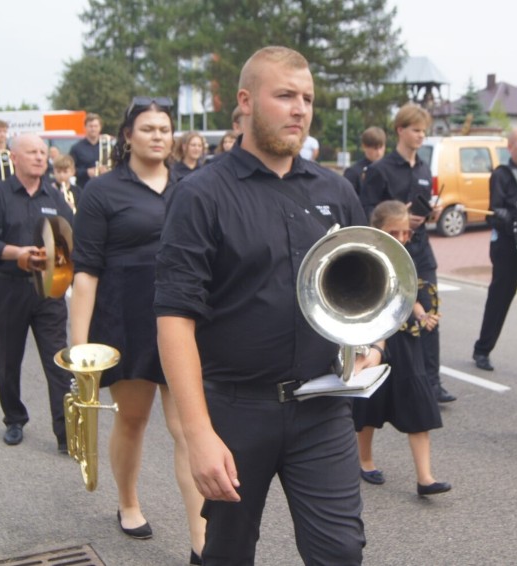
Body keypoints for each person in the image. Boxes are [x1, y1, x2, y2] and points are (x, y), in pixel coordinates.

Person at [155, 46, 373, 565]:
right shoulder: (201, 195)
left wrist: (373, 345)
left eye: (308, 98)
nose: (300, 108)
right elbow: (174, 321)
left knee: (342, 552)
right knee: (225, 554)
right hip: (234, 409)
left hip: (322, 408)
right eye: (285, 96)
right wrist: (198, 434)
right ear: (247, 102)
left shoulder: (336, 192)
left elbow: (369, 297)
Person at [70, 96, 205, 560]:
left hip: (185, 320)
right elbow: (85, 273)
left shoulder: (191, 187)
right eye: (147, 128)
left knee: (189, 428)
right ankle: (128, 502)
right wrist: (79, 350)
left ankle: (202, 541)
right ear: (127, 136)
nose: (157, 136)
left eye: (164, 129)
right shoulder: (102, 192)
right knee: (133, 419)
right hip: (125, 319)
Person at [0, 133, 73, 450]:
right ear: (14, 157)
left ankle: (64, 433)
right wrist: (15, 253)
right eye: (31, 151)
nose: (39, 157)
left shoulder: (54, 197)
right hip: (9, 289)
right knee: (8, 361)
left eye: (43, 152)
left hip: (49, 293)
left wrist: (58, 259)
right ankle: (14, 419)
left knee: (58, 363)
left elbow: (73, 239)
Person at [353, 200, 450, 496]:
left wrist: (422, 314)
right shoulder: (363, 255)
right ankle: (364, 460)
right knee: (370, 404)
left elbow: (411, 289)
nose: (402, 238)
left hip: (405, 338)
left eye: (405, 232)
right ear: (377, 230)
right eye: (394, 233)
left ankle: (425, 478)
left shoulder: (407, 252)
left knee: (418, 401)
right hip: (373, 336)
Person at [360, 104, 456, 404]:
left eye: (424, 131)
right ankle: (384, 374)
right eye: (416, 130)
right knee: (389, 317)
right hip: (390, 252)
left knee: (429, 313)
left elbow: (424, 205)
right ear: (400, 130)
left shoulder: (425, 169)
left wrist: (431, 213)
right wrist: (399, 220)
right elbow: (366, 212)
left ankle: (432, 381)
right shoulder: (379, 170)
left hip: (422, 251)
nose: (421, 136)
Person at [472, 127, 517, 372]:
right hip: (507, 249)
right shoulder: (501, 175)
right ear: (511, 148)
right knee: (499, 301)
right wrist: (504, 215)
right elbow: (493, 213)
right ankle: (482, 350)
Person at [343, 127, 386, 196]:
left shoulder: (389, 169)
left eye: (381, 147)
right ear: (364, 147)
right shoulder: (353, 172)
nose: (379, 152)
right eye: (375, 148)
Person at [70, 113, 105, 188]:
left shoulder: (106, 146)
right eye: (90, 126)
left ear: (100, 128)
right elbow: (70, 170)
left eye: (96, 126)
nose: (93, 129)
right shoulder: (76, 148)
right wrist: (86, 172)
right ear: (85, 127)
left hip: (104, 187)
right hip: (84, 187)